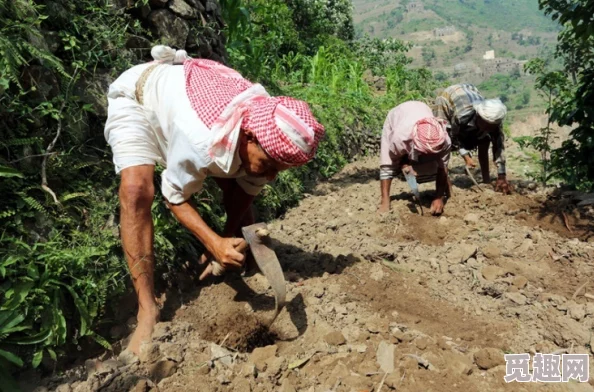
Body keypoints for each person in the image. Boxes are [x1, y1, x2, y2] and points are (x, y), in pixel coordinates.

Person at [104, 46, 325, 355]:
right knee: (136, 191)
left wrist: (227, 238)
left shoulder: (268, 134)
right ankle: (147, 310)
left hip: (191, 109)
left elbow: (245, 192)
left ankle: (235, 247)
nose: (272, 177)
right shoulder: (201, 139)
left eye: (280, 170)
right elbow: (174, 196)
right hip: (139, 98)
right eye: (270, 166)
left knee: (238, 181)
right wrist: (212, 243)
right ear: (248, 136)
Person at [433, 83, 512, 194]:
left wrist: (502, 176)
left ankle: (486, 180)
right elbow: (453, 139)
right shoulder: (461, 118)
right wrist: (466, 157)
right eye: (486, 125)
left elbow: (499, 146)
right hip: (447, 99)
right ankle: (444, 180)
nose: (489, 129)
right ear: (478, 116)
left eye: (491, 127)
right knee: (442, 139)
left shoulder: (495, 121)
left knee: (485, 139)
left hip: (469, 91)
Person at [379, 101, 452, 215]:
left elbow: (443, 168)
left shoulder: (445, 140)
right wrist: (405, 165)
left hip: (422, 109)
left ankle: (445, 191)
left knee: (439, 164)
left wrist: (439, 197)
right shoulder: (400, 138)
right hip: (398, 117)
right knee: (388, 163)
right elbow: (396, 159)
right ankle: (385, 200)